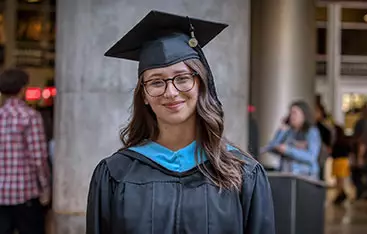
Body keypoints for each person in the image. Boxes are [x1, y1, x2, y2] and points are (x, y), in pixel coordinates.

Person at [86, 10, 275, 234]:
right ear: (144, 95)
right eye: (156, 82)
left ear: (201, 84)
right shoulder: (115, 174)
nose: (171, 92)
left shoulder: (243, 174)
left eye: (183, 78)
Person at [0, 69, 50, 234]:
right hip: (25, 193)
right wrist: (45, 188)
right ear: (22, 88)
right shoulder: (30, 116)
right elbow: (39, 158)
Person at [262, 100, 321, 179]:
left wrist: (288, 150)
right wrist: (281, 132)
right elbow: (272, 147)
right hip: (287, 174)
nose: (292, 116)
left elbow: (311, 157)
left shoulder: (311, 132)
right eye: (290, 113)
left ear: (304, 114)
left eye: (295, 113)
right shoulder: (288, 132)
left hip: (305, 176)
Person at [331, 125, 352, 205]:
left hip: (339, 162)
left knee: (339, 181)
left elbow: (333, 153)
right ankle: (342, 194)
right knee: (341, 180)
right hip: (343, 161)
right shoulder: (345, 141)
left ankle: (340, 195)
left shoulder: (337, 142)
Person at [315, 103, 333, 181]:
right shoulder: (311, 126)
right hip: (315, 155)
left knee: (320, 173)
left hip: (320, 155)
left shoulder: (323, 127)